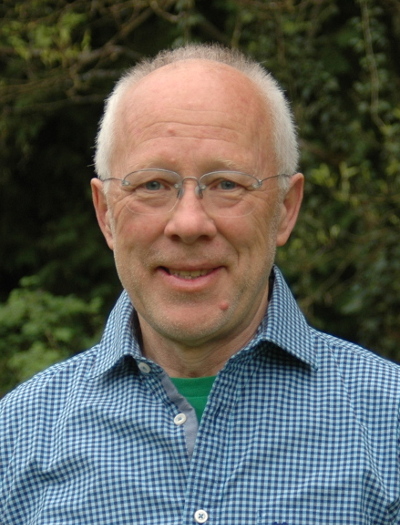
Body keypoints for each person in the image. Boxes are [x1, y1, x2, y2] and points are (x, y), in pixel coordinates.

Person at [1, 44, 399, 525]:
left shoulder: (388, 425)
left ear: (285, 209)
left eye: (227, 183)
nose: (189, 223)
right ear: (106, 214)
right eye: (152, 184)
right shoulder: (14, 440)